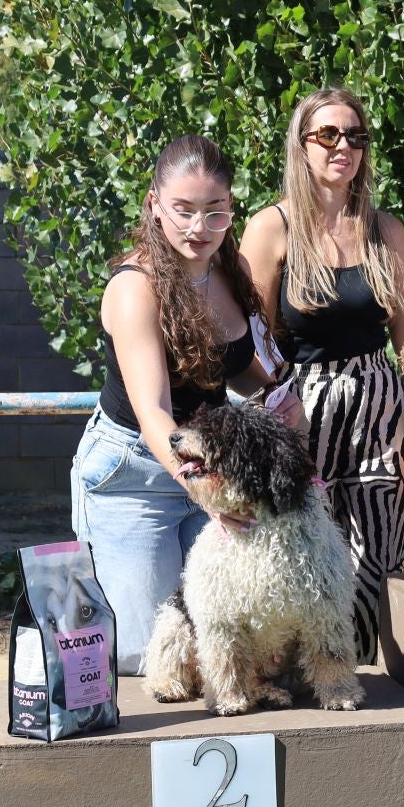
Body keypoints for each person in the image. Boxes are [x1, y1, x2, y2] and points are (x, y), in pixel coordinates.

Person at [239, 87, 404, 665]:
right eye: (327, 135)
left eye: (355, 136)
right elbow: (253, 339)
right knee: (304, 555)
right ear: (302, 146)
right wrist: (272, 424)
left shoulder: (385, 231)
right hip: (301, 411)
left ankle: (363, 679)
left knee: (377, 555)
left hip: (378, 407)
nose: (342, 146)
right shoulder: (271, 228)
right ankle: (305, 679)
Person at [71, 134, 282, 675]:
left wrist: (280, 400)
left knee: (232, 634)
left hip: (209, 467)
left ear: (231, 210)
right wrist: (210, 496)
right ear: (154, 205)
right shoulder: (134, 288)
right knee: (150, 657)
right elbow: (154, 416)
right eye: (183, 210)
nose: (198, 228)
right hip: (135, 476)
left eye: (215, 213)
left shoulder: (226, 269)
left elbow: (238, 365)